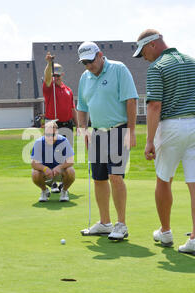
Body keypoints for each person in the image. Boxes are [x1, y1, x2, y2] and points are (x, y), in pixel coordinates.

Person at [133, 29, 195, 256]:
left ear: (152, 45)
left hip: (171, 126)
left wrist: (149, 141)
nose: (144, 58)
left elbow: (154, 106)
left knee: (163, 179)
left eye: (143, 53)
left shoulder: (157, 67)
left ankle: (166, 231)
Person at [77, 41, 138, 240]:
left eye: (91, 61)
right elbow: (82, 106)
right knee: (99, 178)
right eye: (84, 63)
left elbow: (131, 99)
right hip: (97, 133)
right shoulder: (85, 77)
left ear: (100, 55)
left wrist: (131, 131)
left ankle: (121, 224)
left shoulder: (119, 69)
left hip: (119, 130)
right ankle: (105, 222)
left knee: (115, 176)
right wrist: (83, 130)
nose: (88, 66)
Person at [43, 52, 78, 193]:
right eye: (53, 75)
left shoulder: (68, 90)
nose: (55, 77)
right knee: (51, 156)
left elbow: (72, 109)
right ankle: (52, 183)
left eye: (57, 75)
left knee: (65, 156)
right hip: (53, 124)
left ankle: (64, 183)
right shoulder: (48, 88)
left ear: (62, 75)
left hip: (68, 125)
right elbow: (46, 78)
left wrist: (78, 126)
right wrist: (48, 64)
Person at [31, 120, 75, 202]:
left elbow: (71, 161)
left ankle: (64, 191)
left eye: (53, 134)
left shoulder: (63, 141)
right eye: (47, 134)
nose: (50, 137)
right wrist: (44, 168)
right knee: (35, 174)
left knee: (71, 171)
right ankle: (44, 191)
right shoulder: (39, 142)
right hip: (45, 174)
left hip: (60, 172)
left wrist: (60, 167)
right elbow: (33, 164)